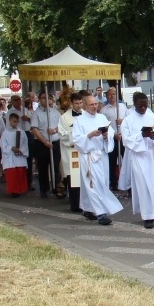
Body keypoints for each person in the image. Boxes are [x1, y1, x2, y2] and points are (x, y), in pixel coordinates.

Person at [72, 95, 122, 225]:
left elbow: (110, 133)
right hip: (89, 155)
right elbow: (76, 139)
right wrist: (89, 135)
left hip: (101, 155)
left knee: (102, 183)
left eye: (96, 104)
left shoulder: (102, 118)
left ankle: (88, 209)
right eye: (91, 104)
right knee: (93, 185)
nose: (94, 107)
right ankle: (101, 214)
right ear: (84, 105)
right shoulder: (79, 120)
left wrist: (106, 136)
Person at [121, 92, 154, 228]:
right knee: (144, 186)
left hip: (152, 155)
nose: (143, 108)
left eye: (145, 105)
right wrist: (141, 135)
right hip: (139, 157)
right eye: (140, 105)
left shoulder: (152, 117)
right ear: (134, 104)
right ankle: (148, 217)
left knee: (153, 185)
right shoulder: (128, 120)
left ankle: (153, 212)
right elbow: (126, 141)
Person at [30, 90, 62, 198]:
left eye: (48, 98)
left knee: (55, 167)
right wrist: (45, 141)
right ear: (39, 99)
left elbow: (61, 126)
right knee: (43, 167)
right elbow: (34, 129)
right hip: (41, 143)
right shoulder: (36, 113)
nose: (46, 100)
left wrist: (55, 130)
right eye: (43, 98)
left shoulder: (55, 112)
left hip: (55, 142)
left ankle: (56, 187)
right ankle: (44, 189)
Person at [58, 92, 83, 211]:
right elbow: (62, 135)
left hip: (84, 151)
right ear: (72, 103)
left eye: (80, 103)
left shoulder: (86, 115)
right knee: (74, 180)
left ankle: (86, 204)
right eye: (77, 103)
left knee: (84, 178)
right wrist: (76, 137)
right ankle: (75, 205)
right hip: (72, 151)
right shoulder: (64, 117)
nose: (79, 105)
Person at [100, 87, 128, 191]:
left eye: (114, 94)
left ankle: (126, 181)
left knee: (125, 160)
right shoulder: (104, 110)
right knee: (111, 161)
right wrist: (114, 134)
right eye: (110, 94)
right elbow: (104, 125)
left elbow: (128, 120)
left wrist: (122, 121)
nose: (112, 96)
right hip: (112, 138)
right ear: (107, 96)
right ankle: (113, 182)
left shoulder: (123, 107)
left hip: (123, 137)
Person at [0, 112, 29, 197]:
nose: (15, 123)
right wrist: (11, 148)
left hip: (19, 156)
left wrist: (21, 150)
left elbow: (25, 143)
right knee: (12, 175)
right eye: (14, 121)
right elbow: (3, 145)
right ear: (10, 121)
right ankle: (13, 191)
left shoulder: (22, 132)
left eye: (17, 121)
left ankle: (20, 189)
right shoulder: (5, 133)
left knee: (20, 173)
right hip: (10, 156)